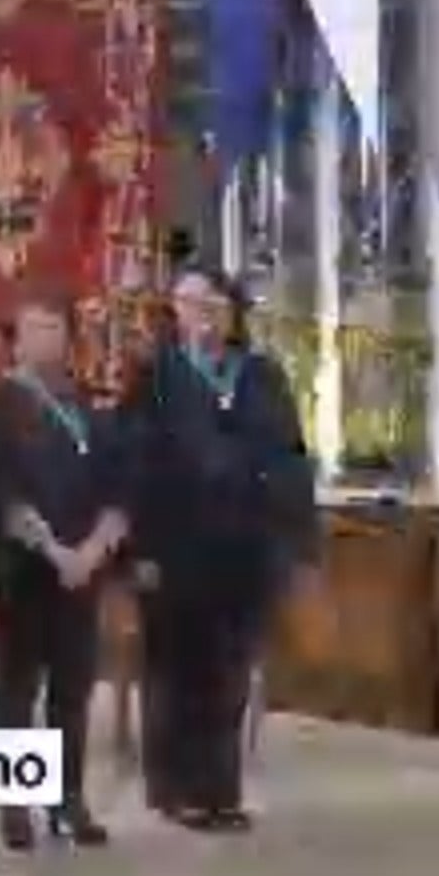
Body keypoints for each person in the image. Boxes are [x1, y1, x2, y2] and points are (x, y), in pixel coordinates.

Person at [126, 265, 316, 834]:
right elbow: (135, 468)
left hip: (246, 551)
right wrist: (141, 549)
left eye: (214, 304)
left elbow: (291, 461)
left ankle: (220, 790)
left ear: (233, 312)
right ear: (176, 313)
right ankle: (175, 789)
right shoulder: (157, 378)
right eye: (190, 304)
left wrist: (301, 544)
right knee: (176, 674)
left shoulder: (261, 376)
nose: (203, 315)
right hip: (175, 551)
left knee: (231, 676)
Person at [0, 294, 129, 850]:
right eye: (33, 328)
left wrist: (95, 550)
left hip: (84, 572)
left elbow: (118, 486)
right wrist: (56, 552)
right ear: (16, 338)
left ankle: (68, 799)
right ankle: (14, 803)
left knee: (72, 690)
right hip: (23, 570)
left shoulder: (87, 404)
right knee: (16, 688)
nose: (44, 339)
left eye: (54, 329)